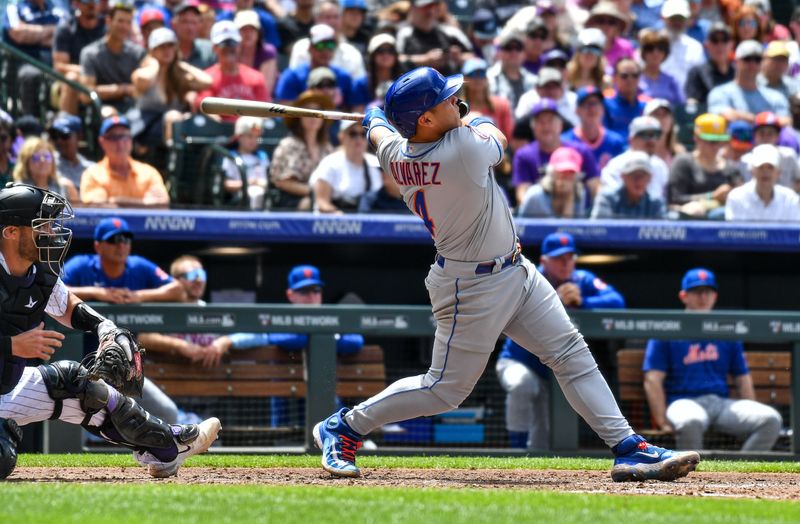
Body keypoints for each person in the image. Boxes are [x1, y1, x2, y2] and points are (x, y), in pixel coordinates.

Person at [312, 66, 701, 481]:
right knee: (444, 389)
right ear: (423, 120)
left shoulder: (395, 154)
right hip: (471, 286)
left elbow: (381, 135)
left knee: (570, 353)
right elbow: (491, 132)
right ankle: (345, 426)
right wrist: (400, 116)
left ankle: (628, 447)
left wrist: (375, 119)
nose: (455, 101)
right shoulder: (460, 148)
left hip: (516, 270)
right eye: (444, 99)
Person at [0, 184, 219, 480]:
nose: (52, 232)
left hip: (7, 389)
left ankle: (168, 447)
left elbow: (68, 306)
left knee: (75, 383)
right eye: (42, 225)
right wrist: (11, 345)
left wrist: (106, 329)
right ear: (10, 232)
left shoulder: (38, 272)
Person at [497, 233, 625, 450]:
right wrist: (555, 298)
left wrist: (583, 301)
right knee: (522, 385)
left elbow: (617, 302)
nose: (566, 264)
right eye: (559, 259)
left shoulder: (582, 280)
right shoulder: (530, 276)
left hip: (553, 372)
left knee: (542, 442)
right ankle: (515, 449)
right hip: (519, 362)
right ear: (545, 260)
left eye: (570, 258)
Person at [62, 217, 187, 423]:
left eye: (126, 240)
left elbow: (178, 289)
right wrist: (97, 293)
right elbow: (53, 289)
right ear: (98, 246)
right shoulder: (83, 265)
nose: (121, 245)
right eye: (114, 240)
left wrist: (139, 296)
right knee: (77, 420)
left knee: (167, 412)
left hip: (123, 369)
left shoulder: (137, 266)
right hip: (82, 366)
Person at [643, 268, 782, 451]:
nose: (703, 297)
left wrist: (749, 408)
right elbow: (653, 379)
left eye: (707, 292)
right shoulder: (667, 329)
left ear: (715, 296)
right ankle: (692, 476)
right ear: (684, 296)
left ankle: (742, 472)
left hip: (720, 404)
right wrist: (661, 420)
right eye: (696, 292)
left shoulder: (726, 330)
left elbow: (742, 377)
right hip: (684, 401)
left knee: (771, 419)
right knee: (690, 421)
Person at [210, 264, 363, 426]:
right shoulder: (281, 320)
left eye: (316, 291)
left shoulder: (332, 320)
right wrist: (227, 340)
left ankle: (333, 434)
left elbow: (355, 342)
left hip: (325, 391)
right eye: (304, 291)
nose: (311, 296)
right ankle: (280, 441)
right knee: (281, 389)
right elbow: (266, 336)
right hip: (285, 396)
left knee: (327, 390)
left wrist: (320, 337)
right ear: (291, 295)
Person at [131, 27, 212, 149]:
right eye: (162, 47)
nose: (167, 50)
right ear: (153, 50)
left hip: (173, 128)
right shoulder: (146, 73)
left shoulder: (179, 74)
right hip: (146, 128)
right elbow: (142, 79)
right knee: (173, 116)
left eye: (170, 46)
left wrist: (180, 64)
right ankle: (173, 158)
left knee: (191, 119)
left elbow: (207, 81)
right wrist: (155, 64)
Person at [513, 99, 600, 206]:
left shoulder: (581, 151)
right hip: (541, 217)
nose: (546, 126)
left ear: (560, 125)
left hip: (578, 216)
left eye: (550, 121)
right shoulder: (524, 155)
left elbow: (595, 187)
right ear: (533, 127)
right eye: (541, 122)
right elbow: (523, 194)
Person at [79, 116, 170, 207]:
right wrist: (144, 203)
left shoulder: (149, 172)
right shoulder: (92, 174)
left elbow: (162, 204)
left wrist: (116, 201)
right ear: (102, 142)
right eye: (113, 137)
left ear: (131, 140)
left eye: (124, 136)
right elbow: (98, 207)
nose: (120, 143)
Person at [269, 91, 335, 210]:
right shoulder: (288, 145)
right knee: (312, 205)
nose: (313, 117)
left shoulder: (327, 147)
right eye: (308, 111)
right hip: (291, 200)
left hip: (324, 198)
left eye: (317, 111)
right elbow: (281, 182)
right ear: (299, 117)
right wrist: (314, 192)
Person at [669, 113, 742, 218]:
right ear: (696, 138)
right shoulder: (683, 162)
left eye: (720, 141)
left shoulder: (730, 168)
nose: (716, 146)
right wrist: (711, 196)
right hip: (692, 223)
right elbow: (675, 197)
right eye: (711, 141)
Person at [195, 21, 269, 123]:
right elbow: (206, 108)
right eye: (223, 44)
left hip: (251, 133)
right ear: (214, 48)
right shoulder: (206, 79)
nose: (229, 48)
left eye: (232, 43)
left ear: (239, 45)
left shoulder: (256, 77)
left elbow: (265, 111)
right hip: (219, 134)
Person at [79, 2, 146, 115]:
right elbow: (86, 95)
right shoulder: (90, 53)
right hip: (101, 110)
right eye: (120, 21)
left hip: (133, 110)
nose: (124, 26)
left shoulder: (138, 52)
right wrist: (123, 90)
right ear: (108, 21)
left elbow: (143, 89)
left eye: (128, 22)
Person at [3, 0, 68, 116]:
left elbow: (68, 32)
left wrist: (35, 35)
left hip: (57, 60)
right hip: (25, 61)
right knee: (30, 74)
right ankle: (31, 121)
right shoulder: (14, 7)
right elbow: (18, 33)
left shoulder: (57, 8)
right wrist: (52, 30)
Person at [708, 40, 791, 127]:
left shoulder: (775, 96)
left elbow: (786, 122)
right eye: (747, 59)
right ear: (736, 61)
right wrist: (764, 120)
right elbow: (725, 116)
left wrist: (743, 117)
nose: (752, 64)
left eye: (757, 60)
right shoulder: (720, 92)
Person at [310, 120, 382, 213]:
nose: (359, 139)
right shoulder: (330, 164)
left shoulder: (377, 163)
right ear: (341, 137)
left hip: (370, 221)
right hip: (336, 221)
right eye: (353, 134)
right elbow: (322, 203)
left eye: (363, 134)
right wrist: (343, 218)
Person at [52, 0, 106, 116]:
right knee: (72, 79)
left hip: (104, 75)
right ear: (76, 3)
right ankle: (67, 128)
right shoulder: (66, 28)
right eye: (86, 0)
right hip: (75, 78)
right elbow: (59, 66)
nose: (91, 4)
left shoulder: (108, 26)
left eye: (95, 0)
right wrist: (88, 71)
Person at [601, 116, 670, 200]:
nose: (651, 140)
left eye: (655, 135)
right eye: (644, 135)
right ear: (631, 140)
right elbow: (613, 200)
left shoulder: (660, 166)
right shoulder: (616, 165)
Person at [726, 144, 800, 221]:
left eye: (770, 167)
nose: (765, 172)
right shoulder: (736, 197)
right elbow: (736, 231)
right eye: (760, 167)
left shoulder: (790, 199)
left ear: (778, 172)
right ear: (752, 170)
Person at [562, 86, 627, 170]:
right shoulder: (566, 141)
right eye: (587, 104)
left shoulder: (616, 142)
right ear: (577, 110)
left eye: (596, 103)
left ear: (603, 109)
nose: (592, 108)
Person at [517, 147, 588, 218]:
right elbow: (553, 228)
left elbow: (575, 228)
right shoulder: (536, 196)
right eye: (561, 173)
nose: (565, 178)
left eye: (570, 173)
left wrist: (569, 200)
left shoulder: (580, 195)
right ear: (552, 173)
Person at [592, 151, 667, 219]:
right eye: (634, 175)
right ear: (623, 176)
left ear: (650, 178)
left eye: (643, 176)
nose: (639, 181)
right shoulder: (607, 198)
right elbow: (600, 229)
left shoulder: (656, 202)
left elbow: (662, 230)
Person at [742, 112, 800, 191]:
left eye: (770, 133)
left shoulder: (789, 155)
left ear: (778, 136)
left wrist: (788, 195)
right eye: (762, 133)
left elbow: (798, 180)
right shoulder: (746, 160)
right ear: (754, 136)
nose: (766, 137)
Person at [221, 116, 270, 209]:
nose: (254, 141)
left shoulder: (262, 157)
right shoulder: (231, 157)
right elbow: (226, 184)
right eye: (249, 136)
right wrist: (250, 183)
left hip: (264, 196)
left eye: (257, 137)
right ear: (239, 137)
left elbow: (267, 181)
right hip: (238, 199)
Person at [12, 137, 78, 204]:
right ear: (26, 162)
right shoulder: (19, 190)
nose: (43, 161)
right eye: (36, 157)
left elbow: (76, 212)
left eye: (47, 156)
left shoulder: (66, 186)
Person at [460, 59, 514, 140]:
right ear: (464, 78)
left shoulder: (502, 104)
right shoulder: (458, 107)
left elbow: (508, 136)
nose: (478, 78)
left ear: (487, 78)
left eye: (482, 74)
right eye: (473, 74)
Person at [684, 21, 736, 107]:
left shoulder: (738, 72)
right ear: (707, 44)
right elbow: (692, 103)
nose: (720, 45)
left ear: (732, 44)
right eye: (715, 40)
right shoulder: (696, 72)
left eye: (724, 40)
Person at [658, 0, 705, 91]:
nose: (677, 22)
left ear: (687, 19)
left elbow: (700, 78)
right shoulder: (652, 46)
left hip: (689, 100)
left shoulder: (695, 47)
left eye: (680, 18)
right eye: (673, 18)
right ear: (663, 18)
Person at [487, 31, 537, 113]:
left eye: (518, 48)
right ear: (500, 53)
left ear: (524, 54)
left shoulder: (534, 81)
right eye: (508, 48)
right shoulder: (488, 78)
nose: (514, 52)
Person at [235, 9, 278, 97]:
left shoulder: (268, 52)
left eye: (252, 29)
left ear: (259, 32)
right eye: (243, 30)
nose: (248, 34)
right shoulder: (231, 53)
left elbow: (266, 90)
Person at [637, 28, 684, 106]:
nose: (655, 52)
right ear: (643, 52)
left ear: (665, 52)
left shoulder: (672, 80)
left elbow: (680, 106)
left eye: (661, 48)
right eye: (650, 48)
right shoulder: (634, 77)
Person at [49, 116, 94, 194]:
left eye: (64, 135)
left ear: (79, 136)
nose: (59, 141)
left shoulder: (92, 169)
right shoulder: (47, 164)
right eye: (55, 136)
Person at [603, 58, 648, 137]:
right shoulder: (605, 105)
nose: (630, 79)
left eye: (635, 75)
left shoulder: (647, 106)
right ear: (615, 78)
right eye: (624, 76)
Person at [644, 98, 686, 168]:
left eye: (665, 115)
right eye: (656, 115)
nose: (661, 119)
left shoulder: (679, 153)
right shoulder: (639, 152)